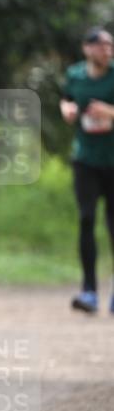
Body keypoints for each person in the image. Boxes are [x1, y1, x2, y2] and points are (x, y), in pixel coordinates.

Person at [59, 26, 114, 314]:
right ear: (87, 48)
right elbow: (67, 98)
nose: (107, 50)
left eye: (110, 46)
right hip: (85, 160)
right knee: (86, 220)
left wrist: (110, 113)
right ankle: (89, 291)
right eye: (102, 45)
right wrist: (66, 109)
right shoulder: (76, 75)